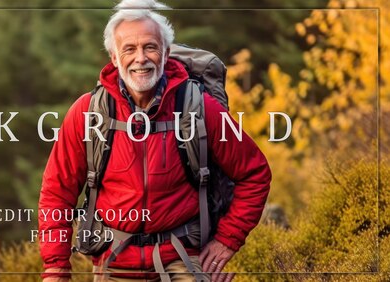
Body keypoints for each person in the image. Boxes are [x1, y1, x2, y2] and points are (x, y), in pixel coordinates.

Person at [38, 0, 272, 281]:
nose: (141, 58)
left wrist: (227, 239)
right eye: (129, 49)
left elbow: (255, 173)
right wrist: (56, 268)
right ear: (114, 57)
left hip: (182, 258)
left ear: (166, 53)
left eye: (150, 47)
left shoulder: (200, 107)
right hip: (114, 262)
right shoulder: (88, 113)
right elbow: (57, 193)